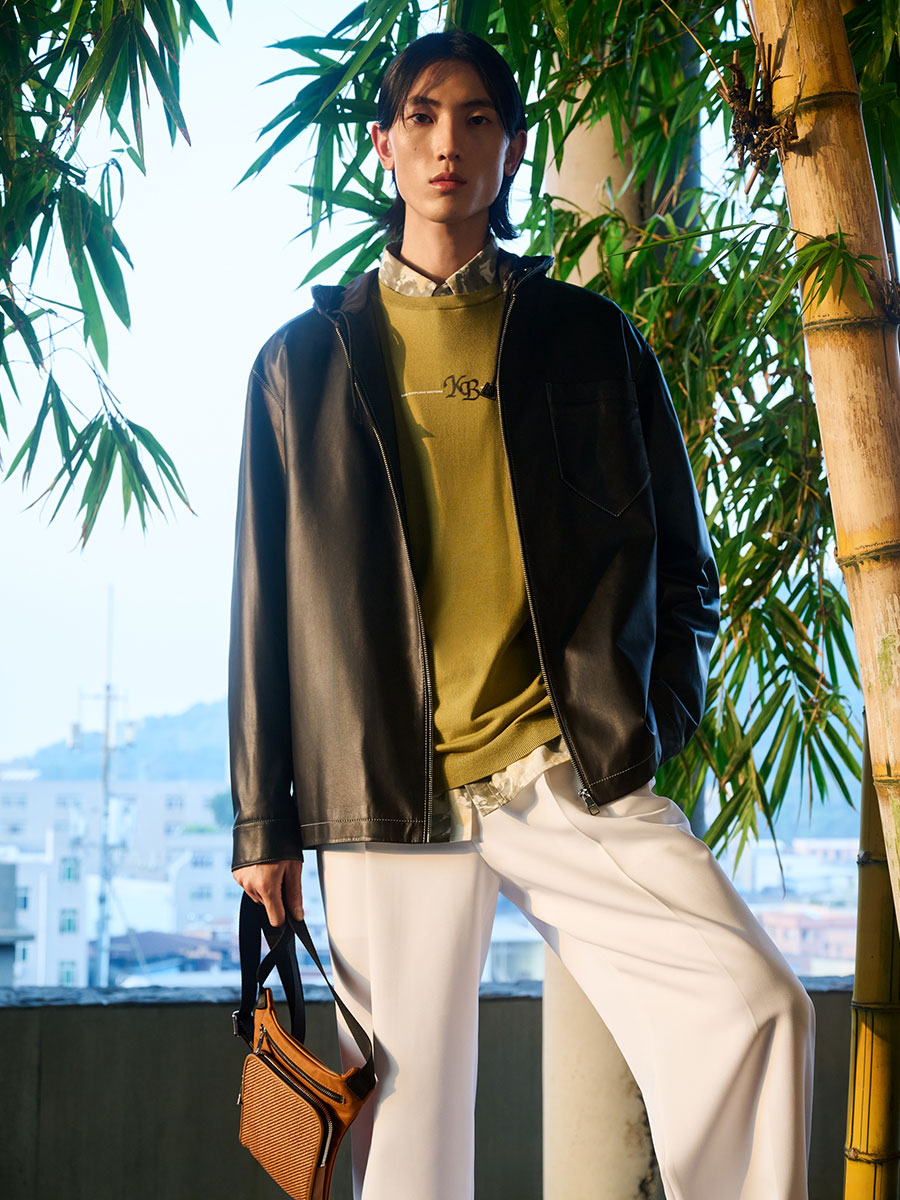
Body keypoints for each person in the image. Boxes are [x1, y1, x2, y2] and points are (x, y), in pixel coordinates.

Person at [229, 29, 815, 1200]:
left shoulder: (591, 341)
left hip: (561, 766)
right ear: (385, 145)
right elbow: (262, 603)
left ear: (511, 147)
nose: (449, 142)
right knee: (408, 1150)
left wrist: (651, 719)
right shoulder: (302, 364)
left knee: (759, 1007)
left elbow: (683, 567)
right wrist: (264, 825)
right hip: (385, 788)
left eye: (478, 118)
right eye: (423, 116)